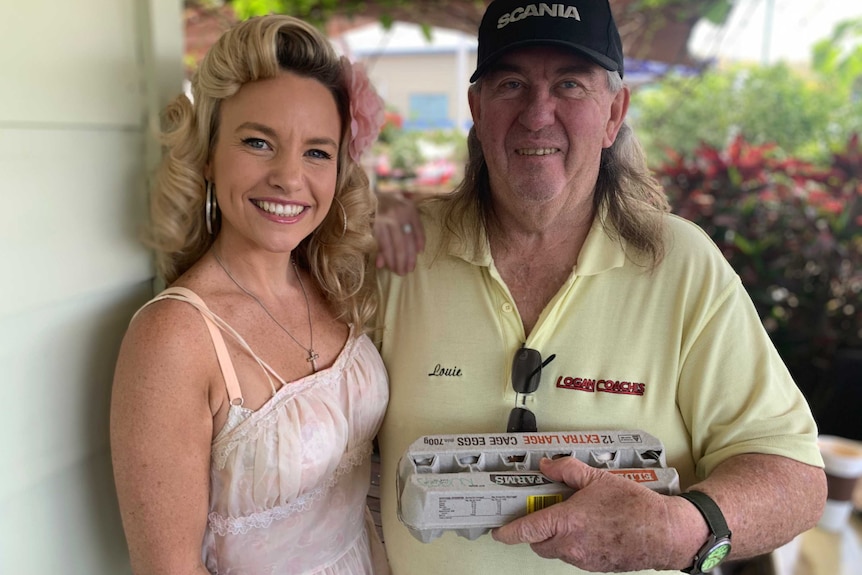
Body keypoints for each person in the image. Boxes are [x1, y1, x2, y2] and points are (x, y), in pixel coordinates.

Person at [373, 1, 826, 574]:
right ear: (476, 109)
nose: (538, 114)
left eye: (570, 83)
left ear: (614, 112)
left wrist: (678, 529)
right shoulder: (397, 253)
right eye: (511, 83)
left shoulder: (682, 264)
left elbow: (794, 474)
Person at [110, 15, 389, 575]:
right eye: (258, 142)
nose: (289, 177)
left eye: (316, 152)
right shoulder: (176, 337)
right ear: (209, 155)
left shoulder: (333, 285)